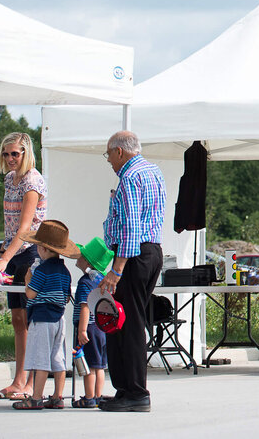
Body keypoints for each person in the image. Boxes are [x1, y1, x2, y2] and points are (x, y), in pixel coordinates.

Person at [98, 130, 166, 412]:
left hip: (133, 256)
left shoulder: (129, 177)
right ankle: (127, 389)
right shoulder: (153, 170)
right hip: (152, 252)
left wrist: (117, 268)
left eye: (108, 155)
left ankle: (135, 391)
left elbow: (131, 228)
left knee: (127, 323)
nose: (109, 161)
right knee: (127, 321)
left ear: (119, 152)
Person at [0, 131, 48, 401]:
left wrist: (3, 259)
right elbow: (9, 224)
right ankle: (18, 379)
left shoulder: (33, 181)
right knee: (17, 320)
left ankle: (31, 381)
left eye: (15, 153)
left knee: (31, 319)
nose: (10, 158)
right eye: (6, 153)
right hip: (12, 252)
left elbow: (24, 229)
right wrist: (4, 253)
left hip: (31, 252)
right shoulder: (9, 180)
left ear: (26, 154)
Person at [12, 219, 78, 410]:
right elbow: (66, 297)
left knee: (40, 358)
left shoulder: (41, 270)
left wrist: (27, 279)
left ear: (45, 249)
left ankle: (36, 397)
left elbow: (31, 293)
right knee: (58, 358)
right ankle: (58, 396)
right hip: (59, 319)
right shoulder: (65, 271)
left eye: (39, 246)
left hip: (42, 318)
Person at [72, 236, 114, 408]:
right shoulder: (103, 280)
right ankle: (97, 396)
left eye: (82, 256)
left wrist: (82, 331)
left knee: (87, 363)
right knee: (100, 365)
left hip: (88, 327)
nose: (78, 258)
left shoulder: (84, 283)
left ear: (87, 262)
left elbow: (85, 307)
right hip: (101, 327)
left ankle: (88, 397)